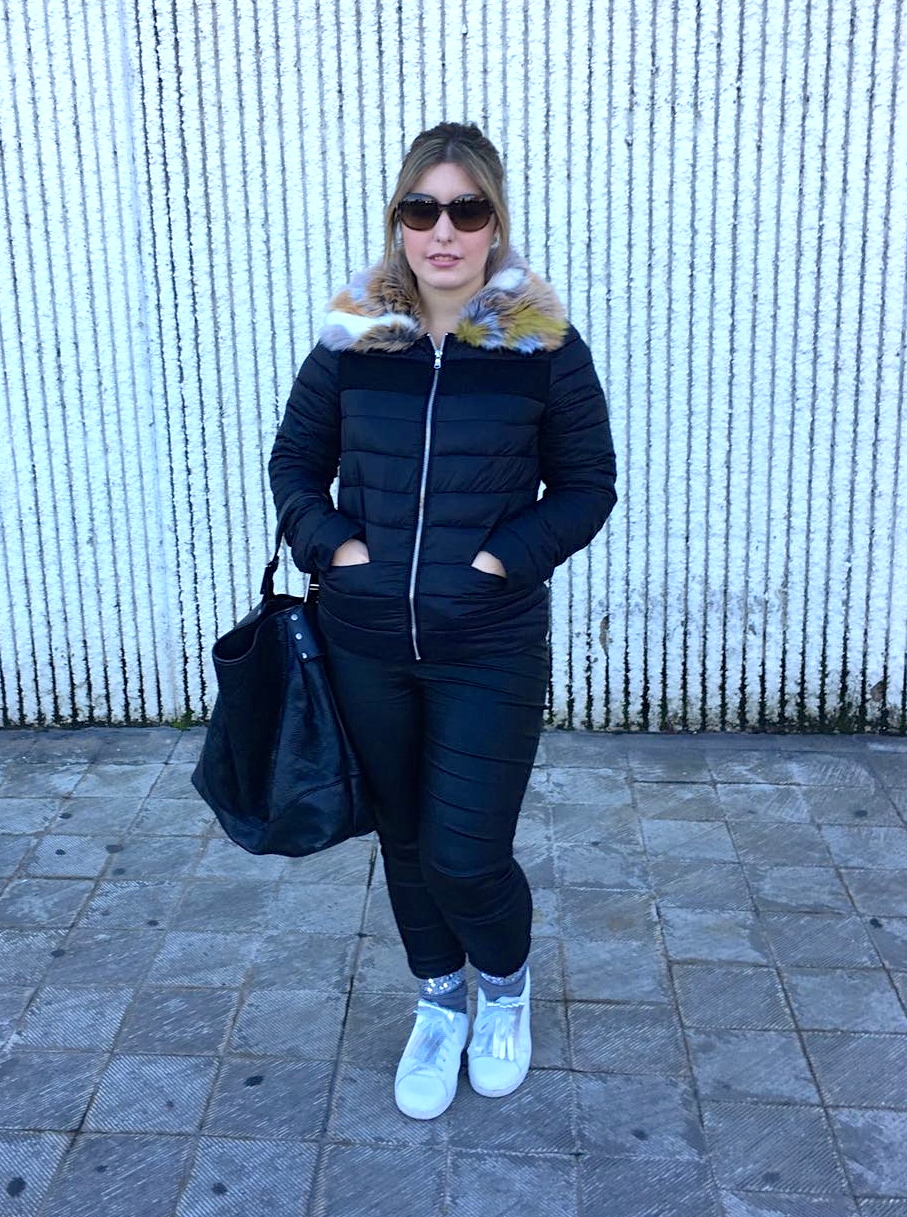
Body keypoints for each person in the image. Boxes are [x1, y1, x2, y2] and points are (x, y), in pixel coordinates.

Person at [269, 121, 616, 1120]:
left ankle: (502, 989)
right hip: (364, 643)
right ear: (398, 221)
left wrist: (499, 560)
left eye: (467, 209)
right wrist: (336, 548)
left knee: (465, 851)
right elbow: (294, 462)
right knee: (408, 842)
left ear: (495, 222)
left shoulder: (543, 348)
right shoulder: (351, 340)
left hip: (486, 646)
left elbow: (587, 486)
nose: (443, 231)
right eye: (421, 208)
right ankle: (438, 1001)